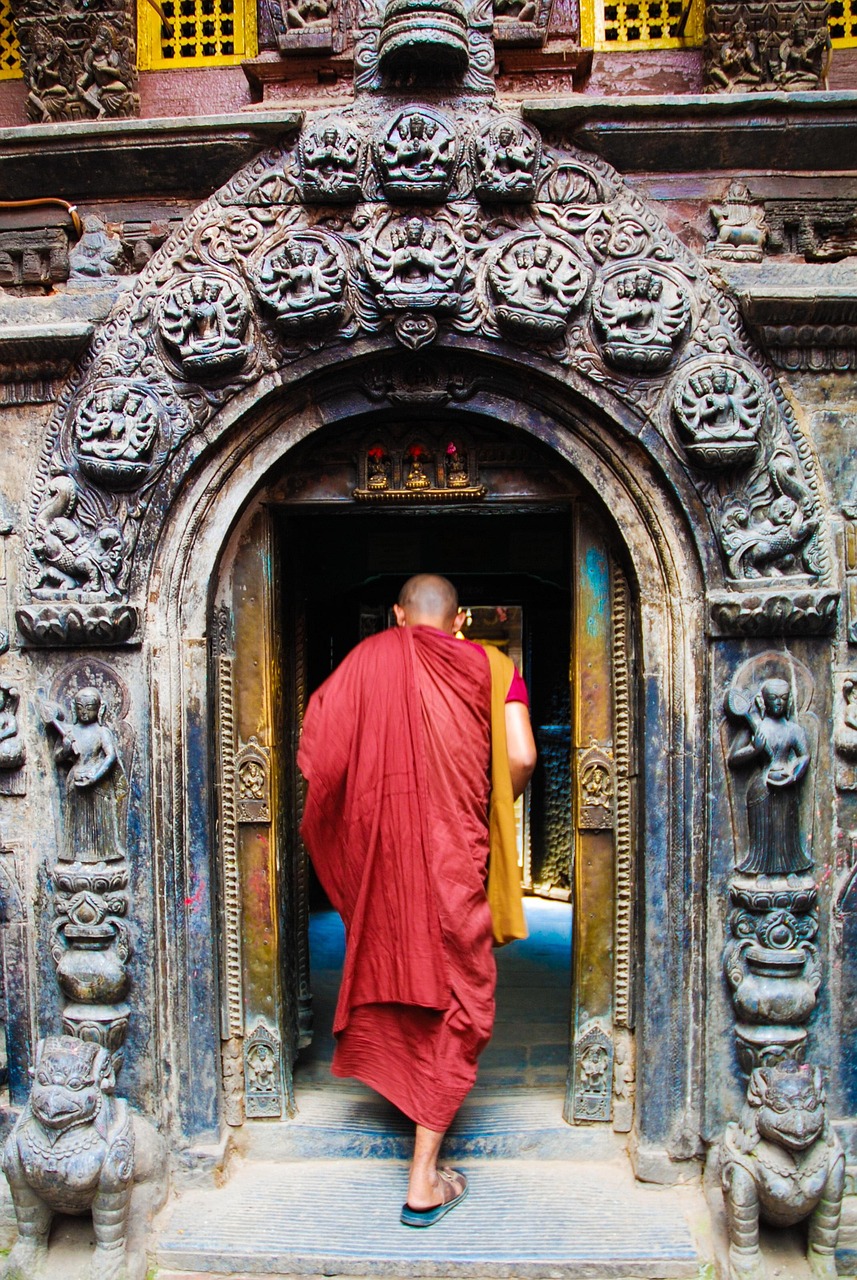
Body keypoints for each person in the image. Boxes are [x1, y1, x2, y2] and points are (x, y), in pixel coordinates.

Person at [298, 574, 536, 1226]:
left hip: (391, 857)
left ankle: (416, 1133)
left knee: (402, 970)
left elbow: (319, 750)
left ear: (398, 616)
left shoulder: (366, 659)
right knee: (458, 996)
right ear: (459, 622)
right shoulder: (493, 665)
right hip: (457, 856)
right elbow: (521, 756)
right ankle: (424, 1177)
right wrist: (483, 801)